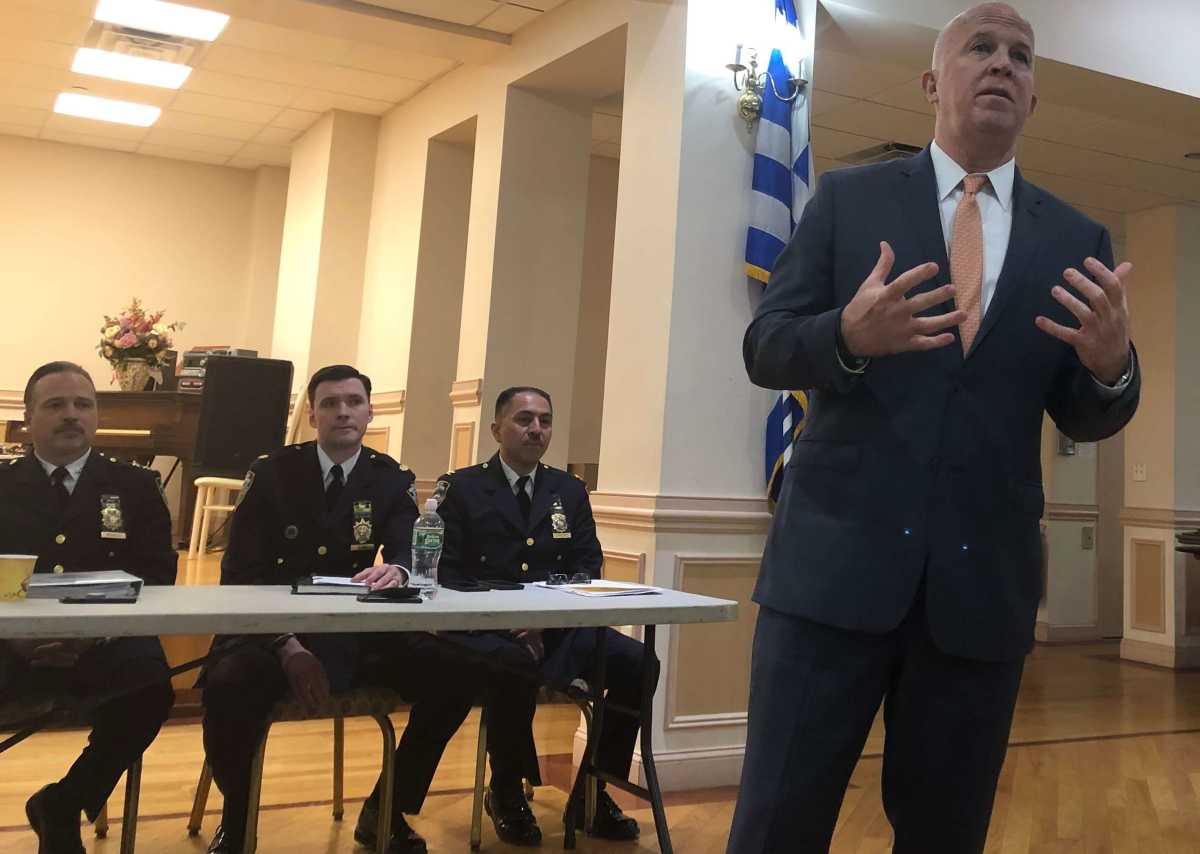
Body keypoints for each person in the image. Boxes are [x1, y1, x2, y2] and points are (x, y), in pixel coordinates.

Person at [728, 5, 1141, 853]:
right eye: (980, 48)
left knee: (947, 835)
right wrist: (845, 335)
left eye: (1021, 57)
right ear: (931, 83)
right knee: (777, 824)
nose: (1002, 65)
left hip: (979, 598)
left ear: (1033, 97)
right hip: (830, 584)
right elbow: (765, 346)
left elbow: (1085, 410)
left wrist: (1110, 368)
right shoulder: (848, 200)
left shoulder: (1075, 237)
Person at [199, 364, 482, 854]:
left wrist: (398, 569)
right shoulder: (272, 474)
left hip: (351, 634)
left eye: (353, 401)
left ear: (371, 412)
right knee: (228, 684)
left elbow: (405, 551)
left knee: (455, 676)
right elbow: (240, 575)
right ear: (313, 415)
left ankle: (385, 812)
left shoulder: (389, 479)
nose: (343, 412)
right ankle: (238, 821)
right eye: (330, 403)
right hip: (270, 634)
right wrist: (286, 646)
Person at [437, 386, 646, 846]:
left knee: (639, 663)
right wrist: (511, 620)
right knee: (513, 666)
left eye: (545, 421)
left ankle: (592, 791)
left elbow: (587, 566)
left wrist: (546, 620)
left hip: (559, 628)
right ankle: (507, 790)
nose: (536, 429)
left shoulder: (567, 490)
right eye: (524, 420)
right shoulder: (464, 488)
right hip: (492, 632)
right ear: (496, 429)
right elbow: (448, 574)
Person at [0, 361, 176, 854]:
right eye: (55, 405)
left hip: (105, 645)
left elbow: (158, 576)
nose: (71, 415)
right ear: (28, 417)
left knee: (151, 688)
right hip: (10, 647)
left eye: (83, 404)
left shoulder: (136, 487)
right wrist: (16, 637)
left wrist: (91, 635)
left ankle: (64, 803)